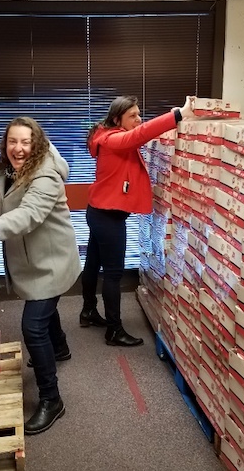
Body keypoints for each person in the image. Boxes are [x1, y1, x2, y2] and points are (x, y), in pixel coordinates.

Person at [0, 116, 81, 435]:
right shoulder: (9, 171)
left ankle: (52, 400)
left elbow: (30, 213)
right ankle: (60, 347)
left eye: (25, 142)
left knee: (33, 327)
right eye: (13, 141)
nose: (18, 148)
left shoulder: (46, 174)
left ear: (36, 144)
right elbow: (9, 204)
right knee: (44, 311)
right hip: (33, 260)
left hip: (51, 262)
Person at [81, 95, 194, 346]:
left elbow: (139, 135)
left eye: (139, 114)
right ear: (116, 119)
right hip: (108, 216)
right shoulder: (113, 140)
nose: (138, 119)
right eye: (132, 115)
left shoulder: (108, 137)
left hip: (99, 212)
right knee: (113, 273)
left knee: (92, 264)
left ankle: (88, 311)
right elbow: (138, 135)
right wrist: (178, 114)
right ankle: (114, 330)